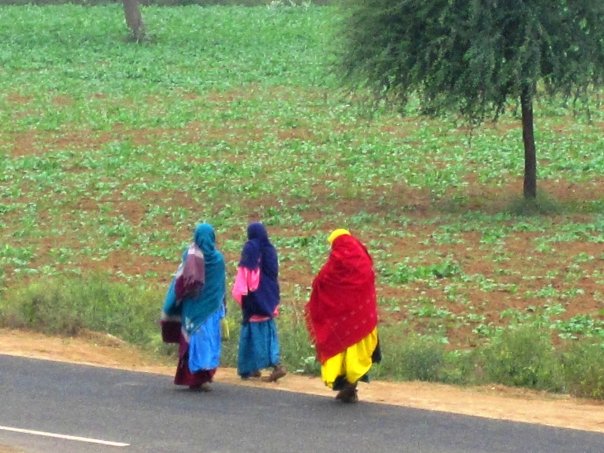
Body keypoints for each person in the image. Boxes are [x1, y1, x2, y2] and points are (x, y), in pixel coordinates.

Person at [305, 228, 381, 403]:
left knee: (342, 349)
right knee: (357, 351)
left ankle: (348, 385)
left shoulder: (336, 263)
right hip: (362, 318)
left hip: (341, 320)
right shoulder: (363, 260)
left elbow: (321, 281)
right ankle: (352, 385)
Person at [161, 223, 226, 392]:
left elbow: (180, 282)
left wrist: (173, 302)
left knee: (194, 342)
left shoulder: (189, 256)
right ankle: (204, 376)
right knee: (209, 342)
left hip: (192, 309)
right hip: (211, 311)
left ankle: (193, 377)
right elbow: (220, 287)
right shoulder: (218, 260)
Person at [232, 222, 286, 382]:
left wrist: (242, 292)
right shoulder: (270, 249)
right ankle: (263, 365)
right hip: (269, 294)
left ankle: (254, 367)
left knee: (250, 329)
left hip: (254, 296)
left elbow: (246, 273)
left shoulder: (250, 248)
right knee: (268, 329)